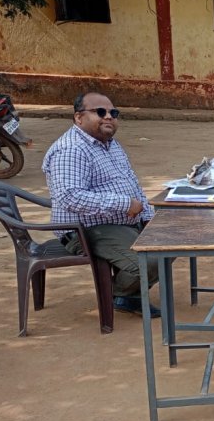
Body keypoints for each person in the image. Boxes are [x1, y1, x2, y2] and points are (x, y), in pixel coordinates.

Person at [42, 92, 160, 317]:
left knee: (169, 242)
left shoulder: (111, 144)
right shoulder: (71, 149)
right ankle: (118, 294)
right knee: (150, 260)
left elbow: (132, 183)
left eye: (113, 113)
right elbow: (70, 197)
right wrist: (123, 203)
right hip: (85, 230)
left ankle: (128, 295)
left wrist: (146, 214)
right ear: (78, 118)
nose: (108, 117)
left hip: (121, 223)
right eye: (100, 112)